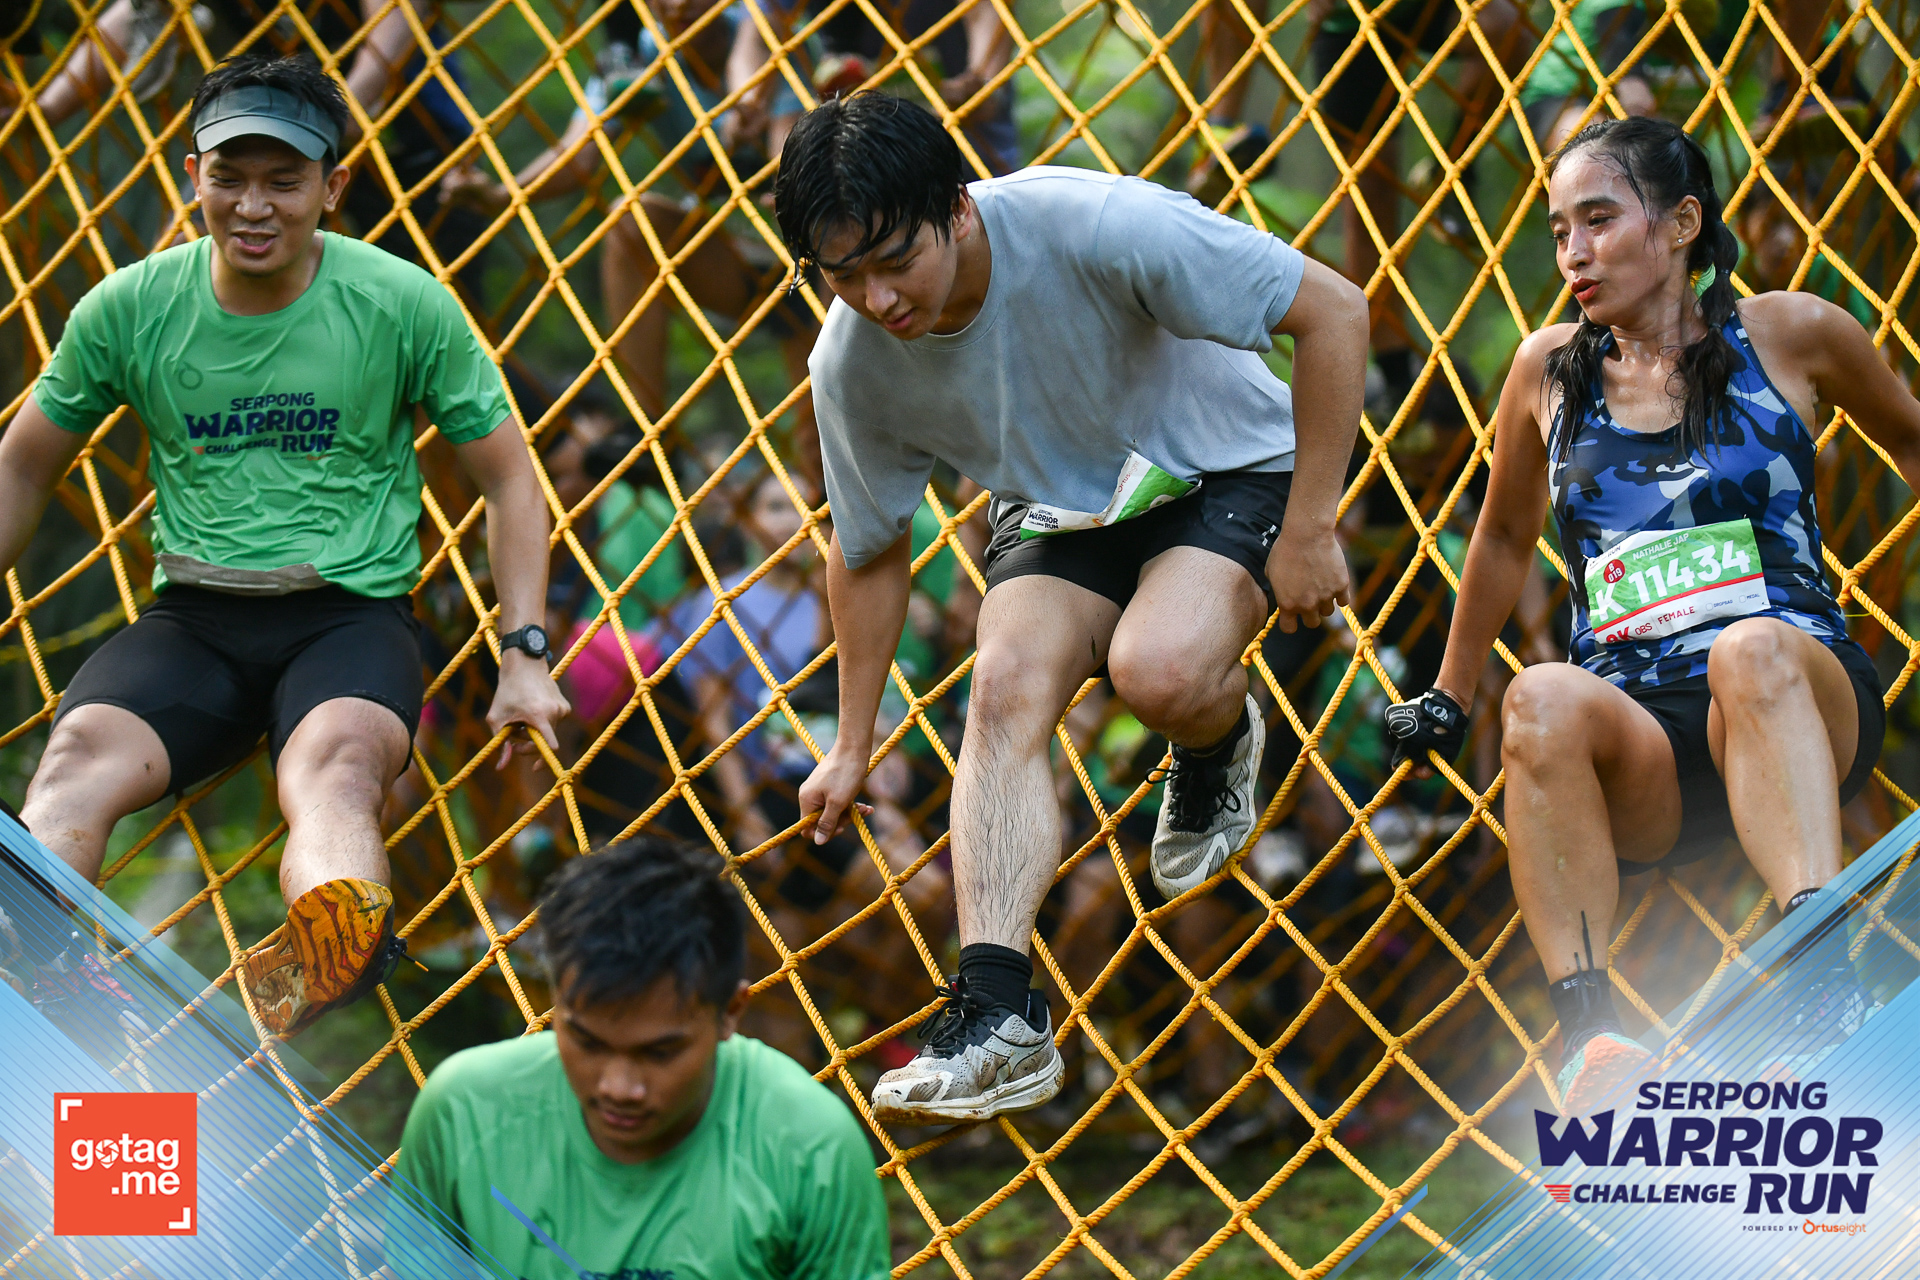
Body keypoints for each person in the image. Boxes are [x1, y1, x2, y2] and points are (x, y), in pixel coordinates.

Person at [773, 93, 1366, 1124]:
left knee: (1159, 671)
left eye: (895, 260)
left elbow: (1336, 311)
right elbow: (866, 551)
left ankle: (1216, 741)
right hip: (1065, 505)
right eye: (842, 275)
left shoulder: (1098, 222)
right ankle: (998, 1016)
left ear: (957, 209)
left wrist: (1312, 525)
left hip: (1226, 466)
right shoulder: (851, 359)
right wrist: (851, 743)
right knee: (1000, 687)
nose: (877, 298)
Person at [0, 55, 568, 1038]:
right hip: (196, 619)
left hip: (348, 619)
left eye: (284, 180)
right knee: (74, 761)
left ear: (332, 186)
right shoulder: (131, 309)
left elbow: (511, 478)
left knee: (337, 769)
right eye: (230, 177)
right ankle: (57, 982)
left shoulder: (399, 303)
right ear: (194, 175)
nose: (253, 206)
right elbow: (22, 465)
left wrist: (524, 653)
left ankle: (332, 939)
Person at [1381, 117, 1920, 1114]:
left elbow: (1911, 438)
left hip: (1794, 695)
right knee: (1539, 696)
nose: (1573, 252)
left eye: (1598, 220)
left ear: (1680, 223)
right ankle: (1593, 1044)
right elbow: (1502, 536)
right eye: (1559, 231)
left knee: (1749, 651)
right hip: (1645, 746)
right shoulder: (1548, 370)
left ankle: (1824, 990)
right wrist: (1450, 693)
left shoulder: (1792, 334)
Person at [389, 837, 889, 1280]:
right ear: (555, 1000)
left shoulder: (810, 1147)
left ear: (730, 1013)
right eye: (587, 1042)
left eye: (660, 1052)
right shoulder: (463, 1111)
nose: (619, 1087)